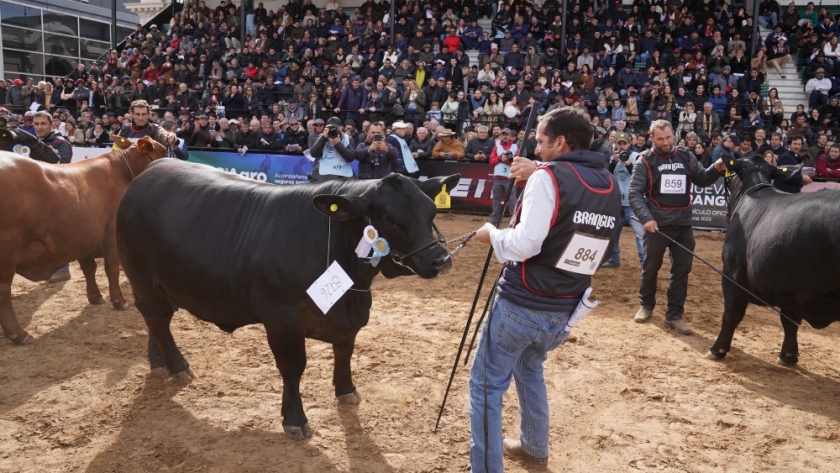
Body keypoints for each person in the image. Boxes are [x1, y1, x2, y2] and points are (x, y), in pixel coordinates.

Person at [470, 107, 621, 472]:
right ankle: (534, 445)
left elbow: (524, 244)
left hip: (523, 302)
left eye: (540, 142)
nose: (536, 149)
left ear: (560, 142)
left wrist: (493, 234)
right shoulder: (609, 183)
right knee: (530, 368)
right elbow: (603, 250)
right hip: (567, 308)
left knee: (486, 388)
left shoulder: (548, 176)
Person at [628, 119, 726, 335]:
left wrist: (716, 168)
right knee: (651, 267)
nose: (665, 142)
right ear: (652, 138)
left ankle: (674, 315)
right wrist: (646, 218)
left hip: (683, 225)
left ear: (674, 134)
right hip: (657, 226)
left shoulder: (686, 155)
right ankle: (646, 305)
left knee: (681, 271)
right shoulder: (644, 160)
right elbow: (634, 192)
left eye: (668, 137)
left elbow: (701, 178)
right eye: (660, 138)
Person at [32, 111, 74, 282]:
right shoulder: (33, 143)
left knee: (59, 231)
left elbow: (62, 167)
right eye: (36, 124)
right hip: (36, 195)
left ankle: (63, 268)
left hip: (58, 194)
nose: (39, 127)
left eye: (43, 124)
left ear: (52, 125)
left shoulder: (61, 143)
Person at [603, 132, 645, 269]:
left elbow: (640, 177)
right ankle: (614, 259)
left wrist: (628, 164)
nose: (621, 147)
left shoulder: (635, 157)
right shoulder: (611, 158)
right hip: (616, 203)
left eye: (624, 143)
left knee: (640, 234)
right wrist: (614, 163)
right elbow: (607, 176)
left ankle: (645, 263)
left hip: (632, 203)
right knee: (613, 234)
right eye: (619, 143)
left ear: (629, 144)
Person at [308, 116, 356, 181]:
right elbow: (313, 154)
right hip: (325, 170)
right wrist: (323, 138)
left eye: (335, 128)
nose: (332, 130)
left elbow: (350, 157)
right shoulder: (322, 137)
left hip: (343, 171)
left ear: (341, 128)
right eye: (330, 128)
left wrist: (337, 144)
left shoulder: (348, 139)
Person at [487, 128, 519, 224]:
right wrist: (500, 158)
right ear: (501, 136)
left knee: (512, 200)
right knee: (496, 200)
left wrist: (507, 161)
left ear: (510, 136)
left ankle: (514, 220)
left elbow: (517, 162)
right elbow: (491, 161)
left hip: (510, 178)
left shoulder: (515, 147)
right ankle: (495, 220)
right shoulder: (497, 147)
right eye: (503, 135)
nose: (504, 136)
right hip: (498, 178)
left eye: (506, 135)